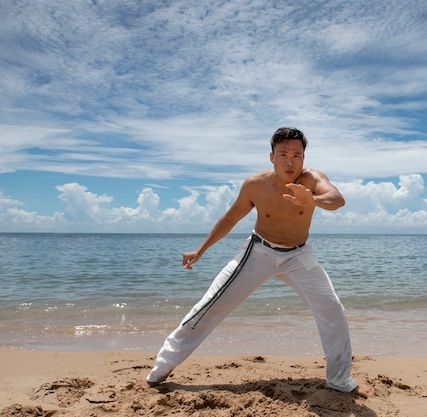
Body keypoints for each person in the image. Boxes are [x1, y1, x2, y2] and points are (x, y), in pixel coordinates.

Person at [136, 127, 373, 398]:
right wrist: (200, 251)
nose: (290, 161)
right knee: (208, 307)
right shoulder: (255, 184)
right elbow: (230, 218)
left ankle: (340, 380)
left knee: (332, 308)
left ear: (304, 158)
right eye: (283, 154)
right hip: (258, 252)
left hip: (298, 255)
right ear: (271, 157)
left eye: (297, 155)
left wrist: (313, 200)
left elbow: (337, 200)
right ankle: (157, 373)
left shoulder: (313, 180)